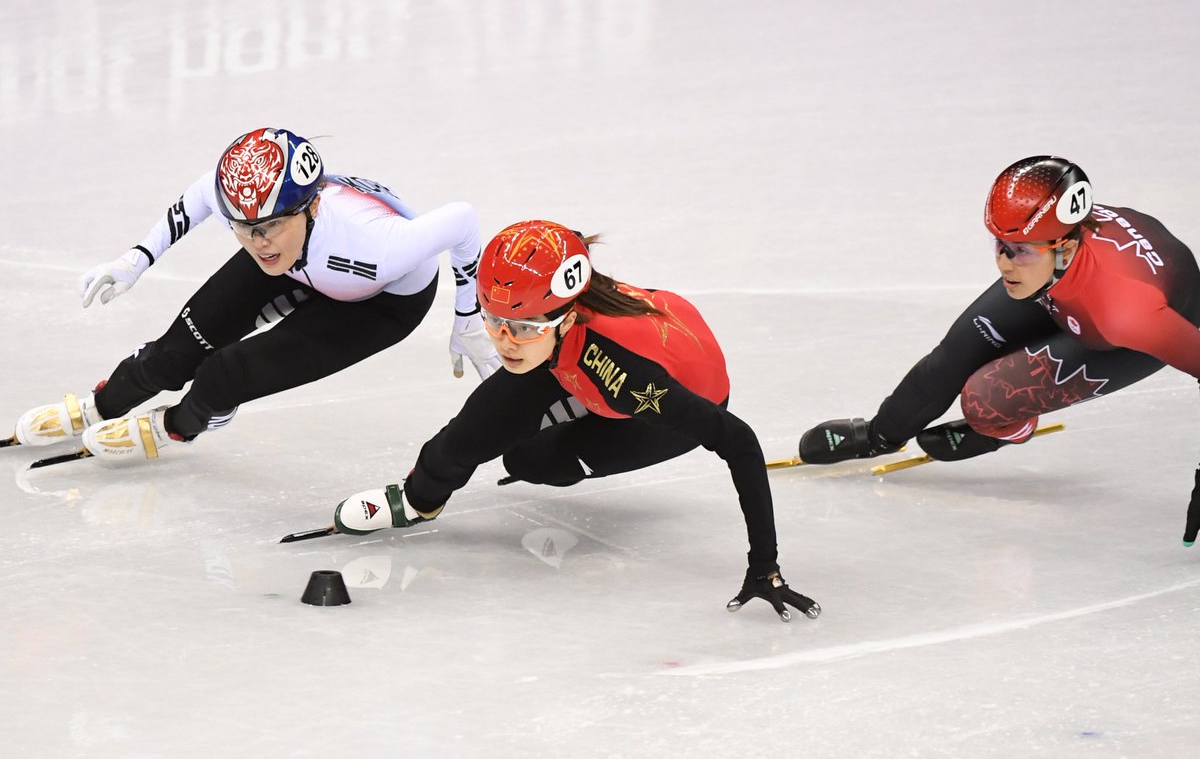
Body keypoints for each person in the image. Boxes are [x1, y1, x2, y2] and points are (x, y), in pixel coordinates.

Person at [322, 220, 820, 621]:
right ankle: (418, 501)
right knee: (469, 435)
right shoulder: (546, 319)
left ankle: (570, 422)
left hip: (668, 398)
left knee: (533, 462)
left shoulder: (626, 376)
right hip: (575, 355)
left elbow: (739, 440)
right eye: (494, 322)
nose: (505, 342)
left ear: (567, 316)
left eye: (521, 328)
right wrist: (524, 338)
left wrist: (765, 566)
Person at [9, 126, 499, 462]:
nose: (258, 242)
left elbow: (462, 221)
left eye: (270, 226)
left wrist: (468, 319)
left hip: (381, 302)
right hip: (303, 263)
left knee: (225, 375)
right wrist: (136, 259)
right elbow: (200, 196)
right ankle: (100, 405)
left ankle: (178, 425)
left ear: (310, 207)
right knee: (172, 356)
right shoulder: (250, 211)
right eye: (243, 228)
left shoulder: (380, 246)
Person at [797, 155, 1200, 543]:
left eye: (1019, 250)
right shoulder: (1050, 243)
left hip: (1128, 334)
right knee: (955, 355)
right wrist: (882, 432)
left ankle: (1007, 428)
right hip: (1075, 285)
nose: (1005, 264)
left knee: (986, 400)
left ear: (1065, 248)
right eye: (1000, 245)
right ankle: (879, 436)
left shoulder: (1127, 313)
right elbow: (952, 356)